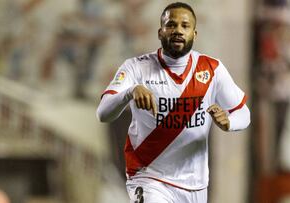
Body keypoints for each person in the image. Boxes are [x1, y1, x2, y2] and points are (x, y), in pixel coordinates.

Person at [96, 2, 250, 202]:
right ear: (160, 32)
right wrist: (129, 91)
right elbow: (103, 110)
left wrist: (230, 123)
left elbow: (243, 112)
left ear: (194, 33)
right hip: (146, 164)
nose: (177, 30)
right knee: (119, 183)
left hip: (193, 174)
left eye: (184, 26)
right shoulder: (133, 61)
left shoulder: (210, 65)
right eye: (171, 26)